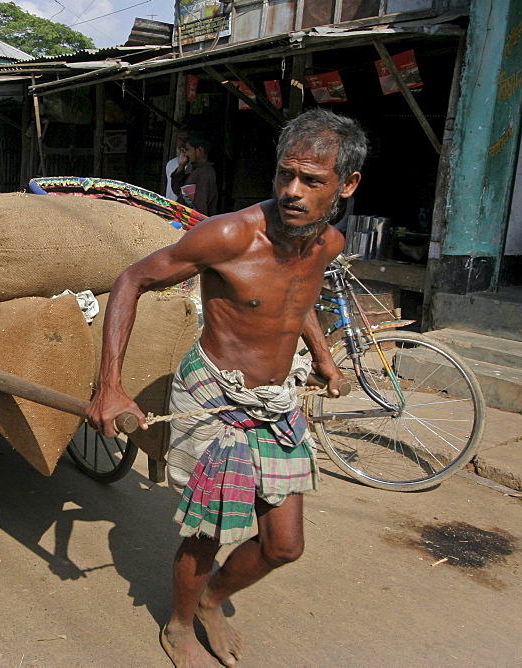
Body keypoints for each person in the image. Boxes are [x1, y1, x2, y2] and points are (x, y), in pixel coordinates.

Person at [88, 108, 363, 667]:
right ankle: (179, 623)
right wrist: (109, 387)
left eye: (312, 181)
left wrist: (325, 357)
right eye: (285, 174)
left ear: (347, 184)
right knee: (209, 529)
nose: (292, 191)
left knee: (285, 545)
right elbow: (132, 278)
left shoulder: (327, 242)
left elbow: (297, 298)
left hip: (276, 402)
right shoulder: (232, 235)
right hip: (215, 396)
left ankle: (213, 599)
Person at [170, 131, 219, 216]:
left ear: (199, 150)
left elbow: (200, 207)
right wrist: (181, 165)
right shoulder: (192, 168)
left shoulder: (206, 173)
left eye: (188, 150)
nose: (187, 154)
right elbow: (177, 190)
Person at [164, 128, 191, 201]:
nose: (182, 142)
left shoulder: (194, 167)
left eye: (185, 139)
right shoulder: (171, 164)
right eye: (180, 139)